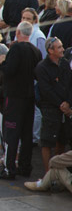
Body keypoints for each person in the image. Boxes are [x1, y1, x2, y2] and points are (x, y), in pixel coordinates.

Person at [0, 21, 42, 180]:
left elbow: (9, 71)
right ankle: (25, 166)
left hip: (15, 97)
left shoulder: (16, 49)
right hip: (29, 97)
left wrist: (3, 61)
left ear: (18, 33)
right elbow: (37, 73)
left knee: (11, 133)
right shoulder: (36, 51)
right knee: (26, 134)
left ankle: (9, 168)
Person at [34, 37, 72, 173]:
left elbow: (70, 85)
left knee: (62, 139)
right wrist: (61, 104)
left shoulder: (65, 64)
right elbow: (46, 90)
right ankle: (48, 173)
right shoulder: (42, 67)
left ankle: (58, 171)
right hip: (50, 108)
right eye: (59, 47)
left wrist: (68, 103)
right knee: (47, 141)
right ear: (50, 50)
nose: (63, 49)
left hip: (65, 108)